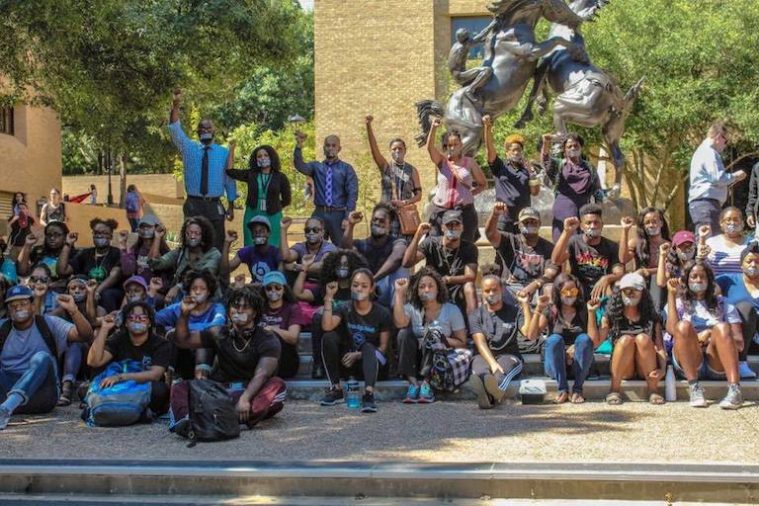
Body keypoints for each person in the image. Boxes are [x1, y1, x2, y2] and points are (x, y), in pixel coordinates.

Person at [173, 286, 287, 427]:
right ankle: (186, 421)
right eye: (236, 306)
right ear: (228, 310)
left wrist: (245, 398)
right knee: (180, 387)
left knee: (277, 385)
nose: (239, 310)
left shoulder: (267, 338)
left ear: (255, 313)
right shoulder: (219, 332)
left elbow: (262, 374)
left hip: (253, 393)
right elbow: (182, 340)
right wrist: (184, 313)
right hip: (224, 391)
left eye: (246, 307)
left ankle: (217, 418)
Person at [0, 286, 93, 430]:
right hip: (6, 390)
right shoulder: (2, 328)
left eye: (23, 303)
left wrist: (73, 311)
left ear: (32, 305)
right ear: (8, 310)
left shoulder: (49, 323)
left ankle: (7, 408)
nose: (18, 308)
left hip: (42, 396)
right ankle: (6, 408)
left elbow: (85, 335)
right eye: (13, 305)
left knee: (42, 357)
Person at [666, 262, 744, 409]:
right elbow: (671, 330)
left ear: (709, 281)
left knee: (721, 327)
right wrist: (671, 294)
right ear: (687, 280)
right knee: (683, 326)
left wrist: (710, 334)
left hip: (716, 362)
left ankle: (735, 390)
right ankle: (694, 388)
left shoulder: (725, 304)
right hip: (690, 362)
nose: (698, 280)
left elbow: (739, 344)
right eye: (693, 276)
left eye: (703, 277)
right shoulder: (679, 303)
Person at [168, 88, 237, 252]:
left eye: (209, 129)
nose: (205, 131)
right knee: (192, 245)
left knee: (216, 246)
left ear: (214, 131)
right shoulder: (189, 148)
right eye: (202, 129)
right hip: (194, 204)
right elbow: (174, 128)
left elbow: (229, 179)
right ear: (198, 132)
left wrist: (231, 205)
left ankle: (217, 277)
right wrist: (176, 105)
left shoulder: (223, 152)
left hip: (214, 206)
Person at [319, 269, 392, 413]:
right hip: (349, 364)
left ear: (371, 288)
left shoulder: (382, 313)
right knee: (329, 337)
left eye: (364, 286)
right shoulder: (344, 307)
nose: (359, 288)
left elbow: (383, 348)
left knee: (369, 347)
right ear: (351, 287)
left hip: (374, 364)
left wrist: (359, 355)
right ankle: (336, 389)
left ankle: (369, 395)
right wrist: (329, 298)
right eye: (356, 285)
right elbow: (327, 326)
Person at [392, 268, 469, 404]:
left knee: (432, 335)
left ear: (438, 289)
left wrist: (441, 338)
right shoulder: (412, 307)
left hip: (438, 359)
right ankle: (414, 384)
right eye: (422, 287)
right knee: (404, 333)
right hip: (416, 360)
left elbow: (462, 342)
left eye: (430, 286)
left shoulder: (451, 310)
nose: (426, 290)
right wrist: (399, 293)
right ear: (417, 291)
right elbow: (399, 323)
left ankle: (427, 385)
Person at [592, 273, 666, 405]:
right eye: (627, 290)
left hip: (646, 367)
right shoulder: (610, 316)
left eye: (635, 290)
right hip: (624, 367)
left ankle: (653, 389)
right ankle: (614, 389)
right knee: (626, 339)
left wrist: (663, 369)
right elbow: (597, 342)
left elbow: (659, 347)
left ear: (643, 293)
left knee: (643, 338)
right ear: (620, 292)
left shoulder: (652, 317)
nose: (631, 293)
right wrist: (591, 314)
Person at [294, 249, 369, 379]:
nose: (342, 268)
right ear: (333, 267)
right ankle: (318, 364)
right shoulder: (328, 287)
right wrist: (304, 268)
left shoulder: (358, 287)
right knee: (318, 316)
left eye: (346, 265)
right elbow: (298, 294)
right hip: (332, 333)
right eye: (339, 265)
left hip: (352, 332)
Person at [86, 302, 171, 416]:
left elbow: (155, 375)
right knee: (91, 385)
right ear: (125, 323)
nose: (137, 320)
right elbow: (94, 361)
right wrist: (104, 329)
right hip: (118, 388)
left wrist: (120, 377)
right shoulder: (118, 339)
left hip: (141, 386)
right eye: (132, 317)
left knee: (160, 390)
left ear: (150, 323)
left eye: (142, 317)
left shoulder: (161, 344)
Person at [525, 273, 596, 404]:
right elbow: (532, 336)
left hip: (579, 365)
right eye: (565, 291)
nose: (569, 295)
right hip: (556, 364)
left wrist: (591, 312)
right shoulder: (551, 311)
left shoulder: (584, 310)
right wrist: (539, 309)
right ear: (558, 292)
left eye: (573, 291)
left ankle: (577, 390)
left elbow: (593, 340)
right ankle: (563, 390)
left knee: (583, 339)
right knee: (554, 339)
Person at [467, 267, 528, 409]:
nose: (491, 293)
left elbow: (527, 333)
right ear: (482, 292)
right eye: (487, 291)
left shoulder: (514, 311)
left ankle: (490, 396)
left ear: (502, 290)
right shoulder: (475, 315)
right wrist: (493, 364)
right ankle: (490, 396)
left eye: (495, 290)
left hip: (510, 356)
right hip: (485, 355)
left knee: (499, 375)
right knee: (481, 373)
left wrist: (525, 305)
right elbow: (480, 342)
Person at [402, 212, 478, 316]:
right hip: (432, 287)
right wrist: (418, 235)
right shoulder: (431, 243)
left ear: (462, 228)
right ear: (442, 228)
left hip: (456, 288)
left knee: (469, 287)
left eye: (457, 225)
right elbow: (407, 262)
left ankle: (474, 327)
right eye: (449, 225)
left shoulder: (469, 248)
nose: (453, 228)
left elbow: (471, 277)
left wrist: (448, 279)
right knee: (409, 285)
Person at [155, 270, 225, 380]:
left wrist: (183, 330)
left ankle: (201, 381)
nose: (197, 292)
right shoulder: (178, 307)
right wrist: (151, 294)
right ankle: (170, 381)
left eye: (202, 289)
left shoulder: (217, 308)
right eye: (194, 288)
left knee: (202, 344)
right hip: (182, 355)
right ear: (188, 291)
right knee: (172, 336)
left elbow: (216, 329)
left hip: (208, 357)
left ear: (209, 292)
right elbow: (153, 319)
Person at [425, 118, 487, 242]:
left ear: (461, 145)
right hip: (441, 211)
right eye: (449, 145)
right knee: (435, 244)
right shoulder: (442, 161)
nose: (452, 148)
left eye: (455, 144)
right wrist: (433, 128)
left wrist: (470, 194)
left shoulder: (469, 162)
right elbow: (430, 148)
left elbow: (482, 184)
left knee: (464, 246)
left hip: (463, 212)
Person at [293, 131, 358, 244]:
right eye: (328, 145)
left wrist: (347, 217)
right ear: (323, 148)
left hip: (338, 214)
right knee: (313, 245)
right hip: (320, 213)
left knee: (341, 248)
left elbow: (352, 194)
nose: (330, 148)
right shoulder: (316, 167)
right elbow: (300, 166)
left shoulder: (347, 169)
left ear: (339, 148)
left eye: (334, 145)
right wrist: (298, 146)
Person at [364, 115, 422, 236]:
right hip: (387, 215)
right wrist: (368, 126)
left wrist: (405, 202)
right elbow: (375, 150)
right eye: (394, 149)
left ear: (405, 150)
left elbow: (419, 195)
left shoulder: (412, 170)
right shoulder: (386, 167)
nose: (397, 151)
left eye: (400, 148)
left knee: (406, 247)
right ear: (390, 151)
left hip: (405, 215)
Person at [226, 141, 291, 248]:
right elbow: (230, 172)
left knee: (273, 247)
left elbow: (287, 199)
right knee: (251, 246)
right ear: (256, 160)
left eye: (266, 155)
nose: (263, 158)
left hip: (273, 216)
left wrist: (274, 206)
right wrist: (231, 149)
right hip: (252, 214)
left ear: (272, 157)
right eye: (259, 156)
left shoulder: (280, 177)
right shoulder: (251, 174)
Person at [551, 204, 622, 300]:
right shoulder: (574, 242)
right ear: (581, 226)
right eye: (588, 223)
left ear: (602, 225)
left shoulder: (611, 246)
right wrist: (567, 232)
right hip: (578, 291)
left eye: (596, 223)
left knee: (617, 286)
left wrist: (607, 278)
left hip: (602, 290)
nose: (592, 226)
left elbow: (619, 273)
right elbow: (556, 260)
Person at [541, 133, 603, 242]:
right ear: (564, 150)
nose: (573, 148)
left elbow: (598, 191)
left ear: (581, 148)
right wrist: (546, 144)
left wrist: (597, 212)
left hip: (584, 211)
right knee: (563, 243)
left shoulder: (590, 168)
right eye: (569, 146)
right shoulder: (559, 165)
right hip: (563, 209)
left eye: (576, 145)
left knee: (583, 244)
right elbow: (546, 161)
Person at [342, 204, 407, 307]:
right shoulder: (362, 244)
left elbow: (397, 257)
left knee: (401, 269)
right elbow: (346, 248)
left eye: (382, 221)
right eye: (375, 219)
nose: (377, 223)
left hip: (383, 291)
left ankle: (396, 315)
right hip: (363, 289)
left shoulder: (397, 242)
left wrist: (373, 280)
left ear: (389, 225)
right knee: (348, 257)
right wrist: (351, 225)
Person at [688, 121, 746, 237]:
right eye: (726, 141)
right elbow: (718, 178)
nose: (725, 145)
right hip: (706, 204)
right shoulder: (709, 152)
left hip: (705, 204)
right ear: (719, 137)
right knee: (708, 241)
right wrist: (736, 176)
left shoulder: (702, 151)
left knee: (709, 240)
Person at [483, 116, 539, 233]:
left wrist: (532, 174)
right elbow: (490, 149)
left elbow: (535, 192)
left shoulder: (526, 170)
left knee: (523, 250)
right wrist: (487, 128)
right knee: (504, 250)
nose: (516, 152)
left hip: (523, 219)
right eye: (513, 150)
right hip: (504, 219)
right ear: (507, 152)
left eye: (518, 149)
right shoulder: (500, 166)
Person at [147, 216, 221, 303]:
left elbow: (204, 275)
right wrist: (157, 237)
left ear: (204, 236)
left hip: (206, 303)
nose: (192, 236)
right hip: (180, 302)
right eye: (188, 233)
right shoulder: (180, 252)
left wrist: (178, 286)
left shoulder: (213, 254)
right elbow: (156, 264)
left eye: (196, 233)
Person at [485, 203, 554, 294]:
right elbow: (490, 234)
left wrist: (531, 287)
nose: (529, 224)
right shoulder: (509, 240)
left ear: (539, 224)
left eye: (533, 221)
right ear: (519, 225)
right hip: (510, 289)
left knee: (550, 289)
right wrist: (495, 215)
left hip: (536, 290)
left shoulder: (548, 247)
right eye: (525, 222)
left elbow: (549, 274)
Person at [58, 218, 124, 312]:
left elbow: (115, 276)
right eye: (96, 233)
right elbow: (62, 271)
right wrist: (68, 244)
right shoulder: (85, 253)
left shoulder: (117, 253)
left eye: (104, 233)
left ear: (111, 236)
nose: (100, 236)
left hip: (109, 293)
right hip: (86, 290)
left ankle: (106, 324)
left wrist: (95, 292)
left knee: (107, 294)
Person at [715, 242, 759, 379]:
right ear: (741, 264)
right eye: (749, 261)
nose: (753, 265)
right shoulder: (728, 280)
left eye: (757, 261)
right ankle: (741, 362)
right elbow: (708, 286)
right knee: (745, 308)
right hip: (741, 339)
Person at [619, 208, 671, 308]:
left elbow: (670, 269)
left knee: (656, 279)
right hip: (640, 283)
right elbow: (623, 259)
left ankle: (656, 315)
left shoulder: (668, 245)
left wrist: (647, 271)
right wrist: (625, 230)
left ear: (661, 223)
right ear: (643, 226)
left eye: (654, 222)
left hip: (661, 285)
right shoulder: (636, 243)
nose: (651, 225)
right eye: (647, 223)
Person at [260, 271, 304, 379]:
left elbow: (293, 337)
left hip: (286, 361)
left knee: (273, 337)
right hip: (261, 357)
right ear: (264, 291)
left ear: (284, 289)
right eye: (269, 288)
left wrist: (272, 329)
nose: (273, 291)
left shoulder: (293, 308)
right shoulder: (258, 308)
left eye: (277, 287)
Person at [221, 216, 281, 285]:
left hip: (272, 290)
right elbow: (224, 271)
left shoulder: (276, 252)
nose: (258, 234)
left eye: (261, 231)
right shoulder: (248, 251)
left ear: (268, 233)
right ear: (252, 235)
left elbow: (281, 280)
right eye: (254, 231)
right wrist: (227, 242)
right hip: (255, 291)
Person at [280, 216, 337, 282]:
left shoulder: (329, 247)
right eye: (307, 230)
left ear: (322, 232)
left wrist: (296, 267)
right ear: (305, 233)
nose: (311, 233)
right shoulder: (300, 246)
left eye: (315, 230)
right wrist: (283, 229)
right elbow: (286, 257)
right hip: (303, 284)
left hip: (324, 284)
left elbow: (323, 265)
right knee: (281, 265)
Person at [118, 214, 170, 286]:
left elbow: (153, 260)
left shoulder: (163, 250)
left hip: (156, 289)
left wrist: (157, 237)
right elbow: (128, 271)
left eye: (149, 226)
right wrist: (123, 244)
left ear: (156, 228)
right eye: (142, 226)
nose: (145, 229)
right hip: (138, 288)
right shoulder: (136, 249)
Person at [18, 222, 71, 292]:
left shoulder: (71, 254)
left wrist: (49, 285)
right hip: (34, 290)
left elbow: (69, 278)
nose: (52, 238)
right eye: (49, 235)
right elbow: (22, 271)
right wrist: (27, 245)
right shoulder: (38, 251)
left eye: (57, 235)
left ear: (65, 236)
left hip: (58, 292)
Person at [705, 207, 750, 278]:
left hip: (742, 286)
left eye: (736, 220)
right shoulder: (711, 242)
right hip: (717, 286)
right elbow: (703, 265)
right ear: (721, 223)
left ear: (742, 223)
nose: (732, 223)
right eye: (728, 220)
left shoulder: (751, 243)